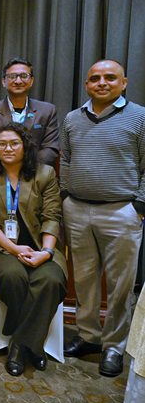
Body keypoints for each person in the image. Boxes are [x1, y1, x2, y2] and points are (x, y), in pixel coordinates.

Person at [61, 59, 145, 378]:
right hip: (78, 210)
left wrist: (139, 207)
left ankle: (114, 345)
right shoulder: (72, 118)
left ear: (123, 83)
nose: (102, 83)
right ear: (86, 85)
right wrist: (67, 195)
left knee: (121, 284)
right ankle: (88, 337)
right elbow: (66, 160)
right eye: (95, 78)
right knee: (83, 279)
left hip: (121, 211)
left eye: (110, 78)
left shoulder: (140, 117)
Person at [0, 123, 67, 377]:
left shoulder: (44, 174)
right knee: (14, 277)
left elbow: (51, 216)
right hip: (0, 247)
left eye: (14, 143)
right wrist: (13, 249)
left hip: (39, 245)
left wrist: (45, 253)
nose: (8, 148)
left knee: (51, 279)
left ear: (25, 146)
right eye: (2, 143)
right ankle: (34, 345)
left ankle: (20, 345)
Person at [0, 57, 60, 168]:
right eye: (12, 76)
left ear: (32, 81)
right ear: (4, 82)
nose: (18, 81)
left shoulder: (47, 111)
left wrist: (26, 169)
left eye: (24, 76)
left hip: (34, 176)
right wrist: (8, 170)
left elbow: (50, 148)